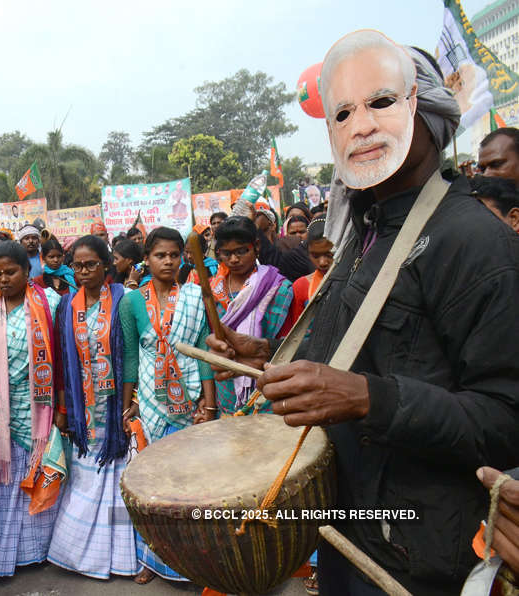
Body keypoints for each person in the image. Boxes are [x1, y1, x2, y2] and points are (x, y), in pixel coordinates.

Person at [208, 32, 519, 595]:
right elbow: (352, 354)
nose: (361, 124)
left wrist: (368, 398)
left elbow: (506, 420)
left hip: (420, 556)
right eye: (343, 113)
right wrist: (268, 357)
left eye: (381, 102)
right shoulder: (365, 233)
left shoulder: (473, 241)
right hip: (346, 525)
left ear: (426, 110)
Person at [118, 227, 217, 584]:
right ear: (146, 258)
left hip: (189, 394)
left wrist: (209, 404)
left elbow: (203, 352)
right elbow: (131, 354)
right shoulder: (130, 301)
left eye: (175, 255)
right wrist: (130, 400)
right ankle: (151, 559)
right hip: (149, 396)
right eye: (160, 255)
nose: (168, 261)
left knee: (191, 481)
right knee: (152, 483)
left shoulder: (194, 296)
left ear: (183, 258)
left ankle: (196, 562)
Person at [47, 235, 138, 579]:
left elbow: (132, 354)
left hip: (116, 407)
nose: (83, 271)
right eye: (77, 266)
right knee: (85, 480)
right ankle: (79, 555)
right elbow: (60, 361)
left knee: (119, 480)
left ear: (106, 265)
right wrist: (63, 407)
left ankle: (120, 557)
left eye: (91, 264)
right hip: (84, 408)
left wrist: (131, 402)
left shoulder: (125, 300)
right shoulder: (66, 305)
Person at [0, 241, 62, 577]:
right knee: (2, 486)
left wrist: (63, 406)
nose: (4, 278)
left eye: (11, 272)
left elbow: (63, 355)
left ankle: (37, 553)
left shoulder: (50, 302)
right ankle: (4, 556)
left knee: (35, 476)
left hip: (39, 406)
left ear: (28, 271)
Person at [208, 217, 293, 414]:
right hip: (225, 382)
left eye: (241, 251)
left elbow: (287, 340)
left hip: (266, 381)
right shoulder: (212, 290)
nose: (234, 260)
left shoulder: (278, 287)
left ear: (255, 246)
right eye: (226, 254)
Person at [283, 217, 333, 334]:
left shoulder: (353, 279)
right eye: (315, 256)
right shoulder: (301, 286)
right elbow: (297, 334)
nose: (322, 262)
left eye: (329, 255)